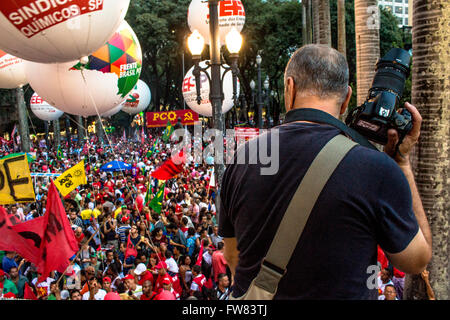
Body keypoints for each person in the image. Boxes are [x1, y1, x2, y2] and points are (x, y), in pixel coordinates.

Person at [219, 44, 432, 299]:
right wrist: (401, 163)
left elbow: (232, 257)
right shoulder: (377, 168)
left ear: (289, 87)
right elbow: (416, 260)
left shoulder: (242, 159)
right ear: (346, 99)